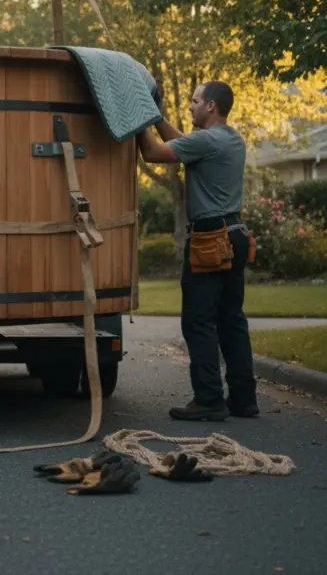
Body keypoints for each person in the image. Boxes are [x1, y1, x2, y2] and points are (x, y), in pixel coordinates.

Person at [136, 80, 259, 422]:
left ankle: (208, 399)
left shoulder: (206, 140)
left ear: (211, 107)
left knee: (199, 321)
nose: (189, 106)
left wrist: (139, 120)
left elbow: (153, 153)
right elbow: (182, 144)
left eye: (194, 101)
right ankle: (243, 399)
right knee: (231, 319)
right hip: (234, 235)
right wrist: (157, 116)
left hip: (209, 240)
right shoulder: (230, 138)